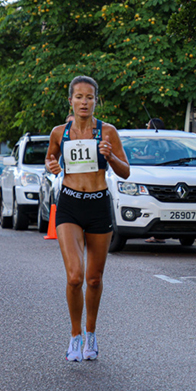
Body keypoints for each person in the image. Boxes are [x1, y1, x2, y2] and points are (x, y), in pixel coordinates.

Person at [45, 76, 130, 362]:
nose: (84, 102)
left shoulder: (108, 132)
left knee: (93, 279)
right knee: (74, 276)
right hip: (70, 204)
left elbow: (125, 171)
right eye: (79, 97)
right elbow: (50, 160)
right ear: (70, 100)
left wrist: (111, 157)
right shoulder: (60, 132)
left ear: (96, 100)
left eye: (89, 97)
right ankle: (75, 336)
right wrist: (52, 165)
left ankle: (91, 334)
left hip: (98, 204)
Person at [145, 117, 167, 243]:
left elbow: (153, 156)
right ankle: (159, 235)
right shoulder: (163, 140)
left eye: (148, 126)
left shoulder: (155, 142)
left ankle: (158, 235)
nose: (146, 128)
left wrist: (138, 157)